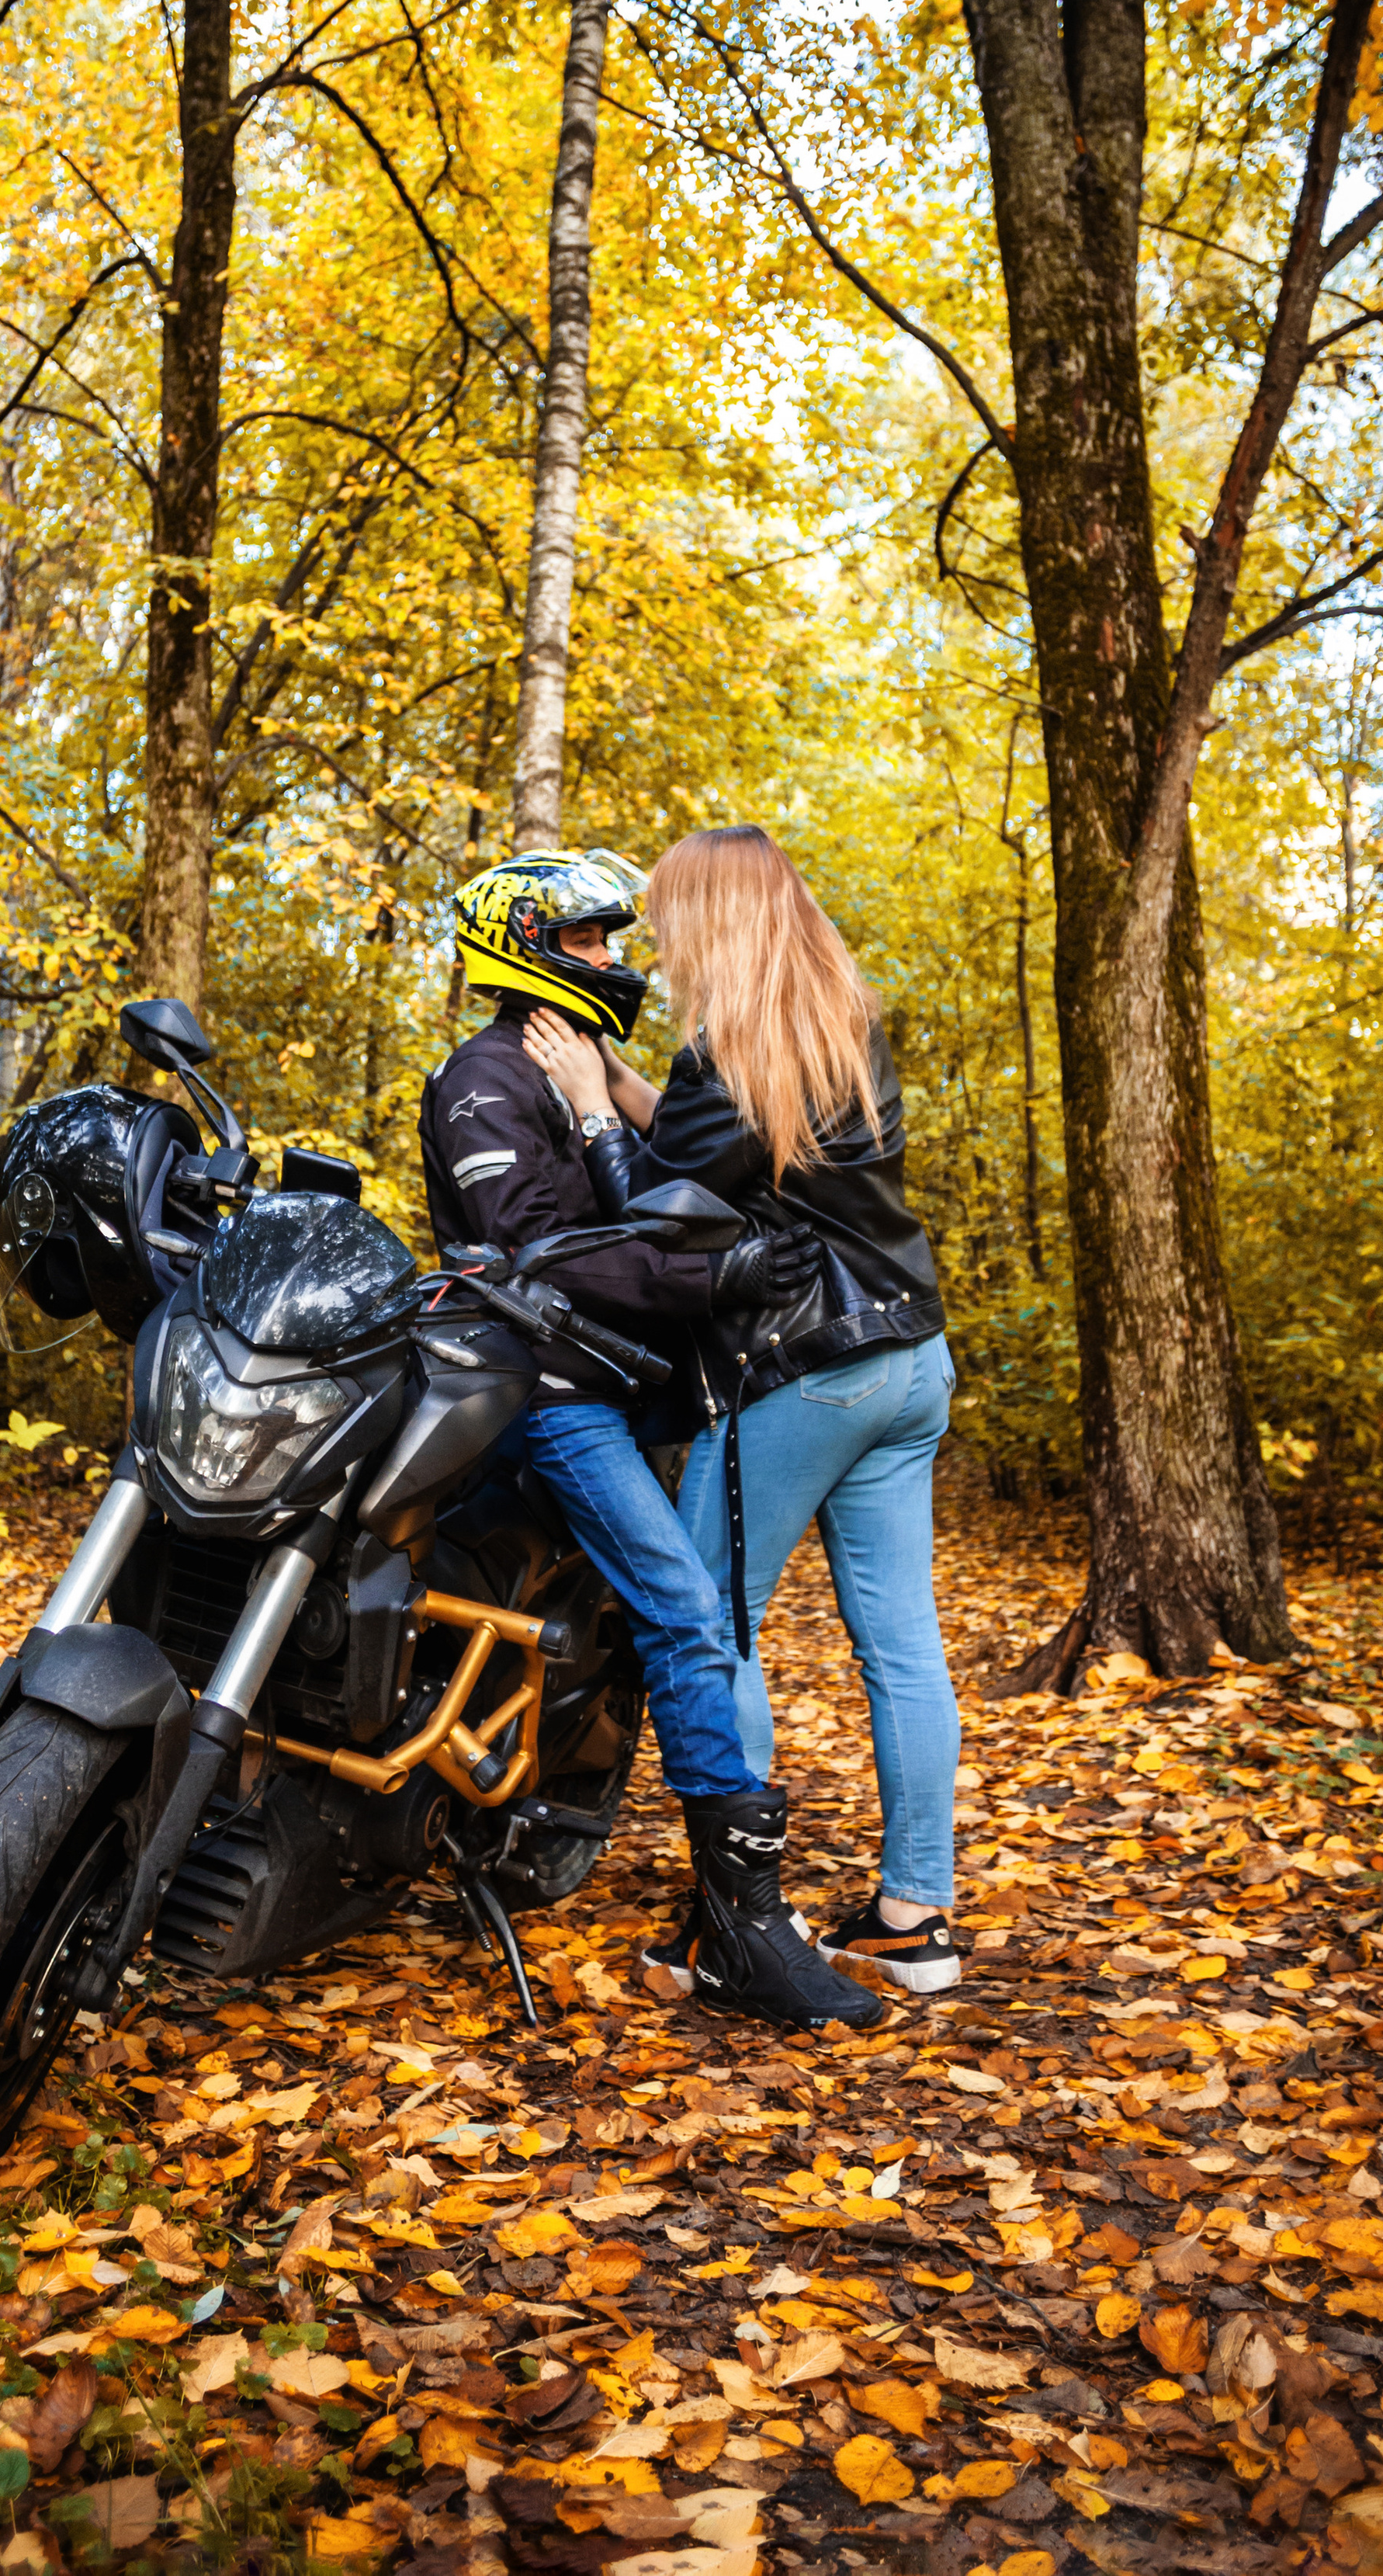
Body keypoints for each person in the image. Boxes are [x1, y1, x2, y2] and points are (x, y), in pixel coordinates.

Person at [419, 845, 882, 2033]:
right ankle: (743, 1923)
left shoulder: (570, 1068)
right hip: (551, 1394)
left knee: (619, 1623)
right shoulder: (483, 1080)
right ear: (522, 945)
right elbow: (541, 1258)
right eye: (589, 941)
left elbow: (655, 1194)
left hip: (618, 1390)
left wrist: (621, 1114)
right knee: (685, 1608)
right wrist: (714, 1274)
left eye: (614, 939)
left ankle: (536, 1815)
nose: (615, 960)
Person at [520, 825, 962, 1999]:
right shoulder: (839, 1024)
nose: (657, 950)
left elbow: (657, 1215)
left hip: (804, 1369)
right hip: (909, 1359)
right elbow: (727, 1148)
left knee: (711, 1618)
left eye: (670, 924)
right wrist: (624, 1082)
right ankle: (917, 1917)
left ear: (715, 919)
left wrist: (593, 1112)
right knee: (901, 1644)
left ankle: (735, 1917)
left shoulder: (733, 1052)